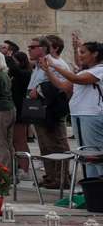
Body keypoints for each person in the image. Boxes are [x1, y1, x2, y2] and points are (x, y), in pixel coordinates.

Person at [54, 35, 103, 178]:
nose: (80, 56)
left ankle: (98, 185)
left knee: (95, 152)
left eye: (83, 52)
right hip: (79, 114)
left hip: (92, 114)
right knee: (84, 152)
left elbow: (76, 78)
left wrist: (54, 65)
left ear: (95, 54)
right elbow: (66, 84)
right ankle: (90, 187)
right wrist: (48, 71)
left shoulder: (99, 70)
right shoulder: (88, 70)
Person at [27, 36, 73, 188]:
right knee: (45, 144)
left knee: (58, 144)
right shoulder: (39, 64)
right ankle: (51, 176)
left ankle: (62, 178)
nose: (29, 49)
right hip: (41, 107)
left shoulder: (55, 63)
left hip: (53, 109)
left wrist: (39, 90)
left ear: (43, 48)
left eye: (33, 47)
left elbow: (61, 85)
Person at [2, 40, 33, 173]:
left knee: (20, 140)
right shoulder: (15, 74)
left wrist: (8, 57)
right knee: (14, 140)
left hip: (21, 110)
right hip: (13, 109)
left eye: (14, 61)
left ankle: (25, 168)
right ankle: (19, 165)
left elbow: (15, 70)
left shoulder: (25, 74)